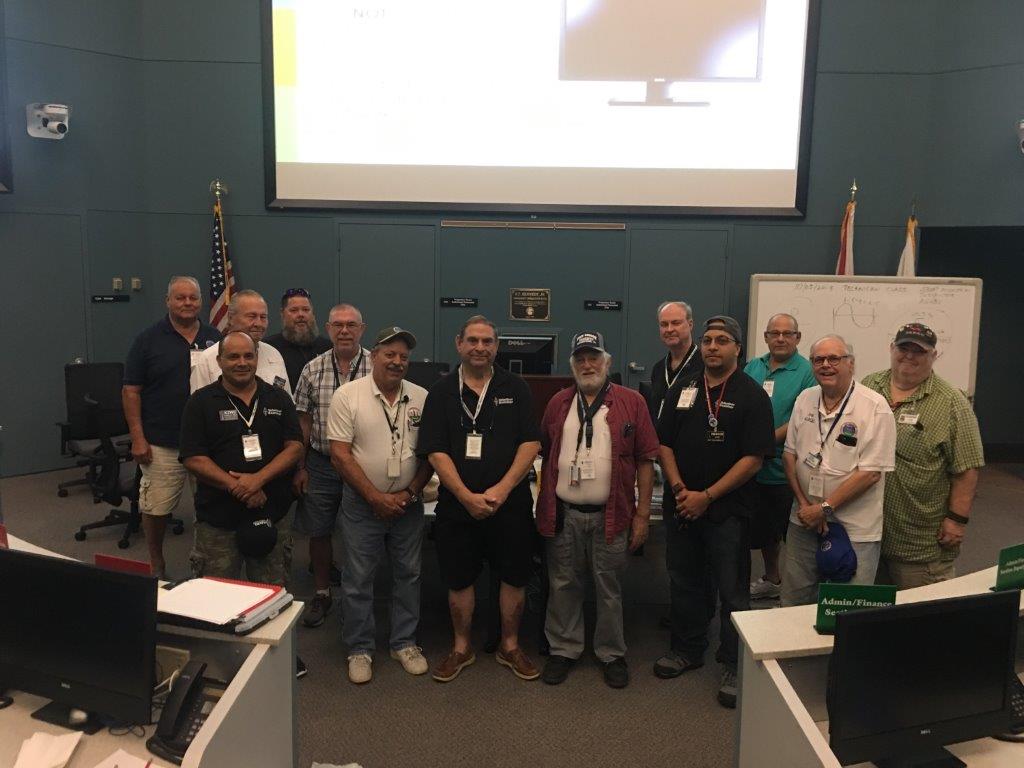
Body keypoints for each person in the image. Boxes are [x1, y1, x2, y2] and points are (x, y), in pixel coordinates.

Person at [655, 315, 774, 709]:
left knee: (732, 590)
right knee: (684, 580)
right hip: (682, 506)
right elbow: (664, 444)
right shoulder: (684, 387)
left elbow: (754, 458)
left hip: (728, 511)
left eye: (722, 340)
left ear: (738, 348)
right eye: (707, 340)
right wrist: (679, 490)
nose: (711, 347)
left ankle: (733, 664)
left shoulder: (752, 395)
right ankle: (687, 649)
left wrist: (706, 496)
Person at [417, 315, 542, 682]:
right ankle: (461, 647)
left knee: (514, 576)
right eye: (472, 340)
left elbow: (530, 443)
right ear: (459, 344)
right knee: (459, 579)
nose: (480, 347)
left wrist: (501, 490)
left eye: (487, 341)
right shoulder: (441, 392)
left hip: (510, 503)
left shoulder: (516, 387)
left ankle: (510, 645)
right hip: (458, 506)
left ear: (496, 347)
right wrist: (465, 496)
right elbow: (435, 450)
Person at [179, 331, 305, 678]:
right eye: (233, 357)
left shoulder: (277, 396)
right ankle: (217, 661)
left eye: (248, 356)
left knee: (273, 590)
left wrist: (258, 480)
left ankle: (279, 656)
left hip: (272, 512)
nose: (241, 363)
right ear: (219, 361)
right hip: (219, 518)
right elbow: (192, 457)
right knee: (217, 591)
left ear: (256, 359)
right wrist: (238, 485)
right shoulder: (201, 402)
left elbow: (295, 446)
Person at [535, 332, 658, 688]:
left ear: (607, 362)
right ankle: (563, 649)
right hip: (565, 513)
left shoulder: (632, 402)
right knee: (563, 584)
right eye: (581, 359)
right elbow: (546, 449)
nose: (587, 365)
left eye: (594, 358)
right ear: (572, 365)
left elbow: (646, 459)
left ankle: (611, 653)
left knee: (609, 587)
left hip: (612, 514)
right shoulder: (558, 403)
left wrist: (642, 515)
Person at [327, 327, 433, 684]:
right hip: (362, 505)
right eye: (390, 354)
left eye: (404, 356)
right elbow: (340, 455)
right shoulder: (348, 395)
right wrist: (375, 497)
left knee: (409, 574)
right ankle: (359, 648)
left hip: (408, 505)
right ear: (373, 356)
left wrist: (410, 493)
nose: (397, 361)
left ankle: (404, 642)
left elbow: (431, 453)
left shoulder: (421, 397)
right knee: (358, 578)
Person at [861, 323, 984, 588]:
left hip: (918, 540)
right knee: (871, 607)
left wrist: (957, 521)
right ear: (892, 349)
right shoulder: (870, 386)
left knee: (922, 609)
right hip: (868, 532)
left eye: (919, 351)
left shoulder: (952, 403)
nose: (909, 356)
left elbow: (967, 469)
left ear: (934, 355)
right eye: (903, 348)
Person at [781, 335, 896, 607]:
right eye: (818, 359)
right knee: (794, 599)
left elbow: (871, 473)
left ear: (851, 364)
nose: (826, 365)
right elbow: (789, 455)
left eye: (834, 358)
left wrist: (824, 508)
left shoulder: (874, 407)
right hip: (804, 519)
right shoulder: (805, 399)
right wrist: (806, 505)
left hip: (855, 526)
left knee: (847, 606)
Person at [123, 276, 221, 578]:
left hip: (206, 444)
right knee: (156, 507)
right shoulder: (147, 340)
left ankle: (204, 564)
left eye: (193, 297)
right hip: (162, 441)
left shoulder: (215, 337)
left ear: (200, 301)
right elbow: (131, 391)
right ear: (168, 301)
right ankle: (157, 562)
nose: (187, 303)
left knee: (209, 509)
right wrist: (138, 438)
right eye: (180, 297)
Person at [293, 304, 371, 628]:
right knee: (319, 529)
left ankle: (358, 595)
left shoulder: (376, 367)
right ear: (327, 329)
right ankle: (322, 592)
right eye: (338, 325)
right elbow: (303, 421)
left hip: (361, 464)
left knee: (361, 532)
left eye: (351, 324)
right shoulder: (312, 369)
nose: (344, 331)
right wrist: (301, 466)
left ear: (362, 329)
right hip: (322, 463)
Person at [743, 313, 816, 599]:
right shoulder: (753, 366)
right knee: (764, 531)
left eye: (788, 333)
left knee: (793, 532)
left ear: (798, 338)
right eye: (775, 333)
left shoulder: (807, 371)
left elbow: (801, 417)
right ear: (766, 337)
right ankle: (772, 579)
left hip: (787, 470)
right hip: (753, 467)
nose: (781, 338)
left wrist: (762, 442)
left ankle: (798, 591)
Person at [190, 290, 290, 393]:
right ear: (231, 318)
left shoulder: (274, 355)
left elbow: (286, 400)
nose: (259, 323)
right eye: (252, 316)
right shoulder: (207, 359)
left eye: (263, 317)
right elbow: (199, 402)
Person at [264, 288, 332, 394]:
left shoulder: (328, 347)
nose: (301, 314)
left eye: (306, 310)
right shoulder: (269, 348)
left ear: (313, 314)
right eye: (294, 310)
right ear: (282, 314)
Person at [648, 301, 703, 423]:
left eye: (676, 323)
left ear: (690, 324)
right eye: (664, 324)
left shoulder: (704, 366)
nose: (669, 329)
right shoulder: (658, 368)